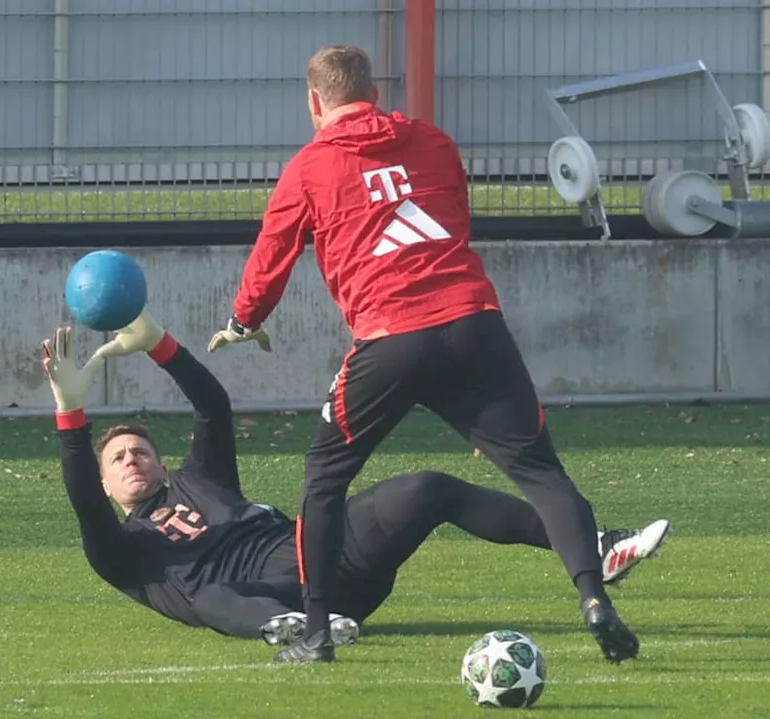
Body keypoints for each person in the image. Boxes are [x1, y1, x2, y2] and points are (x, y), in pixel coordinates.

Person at [205, 44, 645, 664]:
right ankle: (594, 598)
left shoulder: (310, 167)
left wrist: (244, 319)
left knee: (324, 481)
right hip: (473, 325)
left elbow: (271, 256)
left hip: (389, 337)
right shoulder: (434, 142)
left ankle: (314, 633)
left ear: (313, 102)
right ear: (375, 91)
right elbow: (455, 222)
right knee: (543, 474)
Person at [40, 312, 672, 645]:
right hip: (263, 600)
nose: (131, 460)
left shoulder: (199, 479)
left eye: (139, 450)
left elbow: (214, 407)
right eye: (117, 459)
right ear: (103, 485)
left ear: (161, 460)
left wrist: (158, 342)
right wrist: (71, 413)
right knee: (208, 597)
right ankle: (282, 629)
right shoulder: (120, 552)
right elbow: (81, 503)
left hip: (325, 561)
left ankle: (592, 548)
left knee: (427, 487)